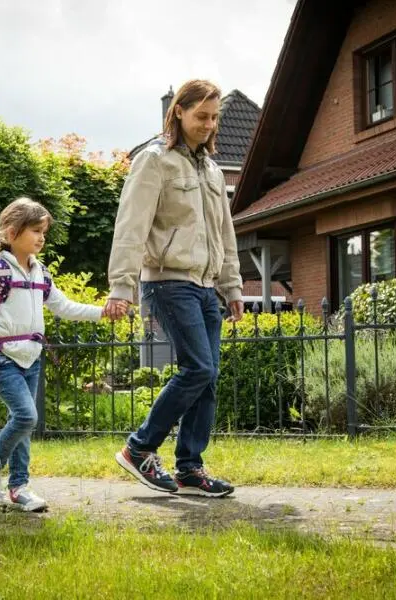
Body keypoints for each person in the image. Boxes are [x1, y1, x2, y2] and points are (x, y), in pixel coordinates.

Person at [104, 79, 244, 497]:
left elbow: (225, 231)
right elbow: (131, 225)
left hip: (205, 286)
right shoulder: (154, 161)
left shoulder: (213, 169)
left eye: (214, 117)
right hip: (166, 281)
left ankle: (189, 469)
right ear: (178, 112)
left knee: (209, 376)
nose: (209, 124)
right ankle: (140, 448)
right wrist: (120, 287)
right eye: (201, 116)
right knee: (198, 368)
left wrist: (232, 286)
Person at [0, 197, 122, 511]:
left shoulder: (39, 273)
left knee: (21, 422)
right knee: (26, 416)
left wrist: (102, 313)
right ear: (12, 233)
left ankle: (19, 487)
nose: (41, 237)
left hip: (31, 357)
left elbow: (64, 307)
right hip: (1, 355)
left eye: (43, 232)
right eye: (35, 231)